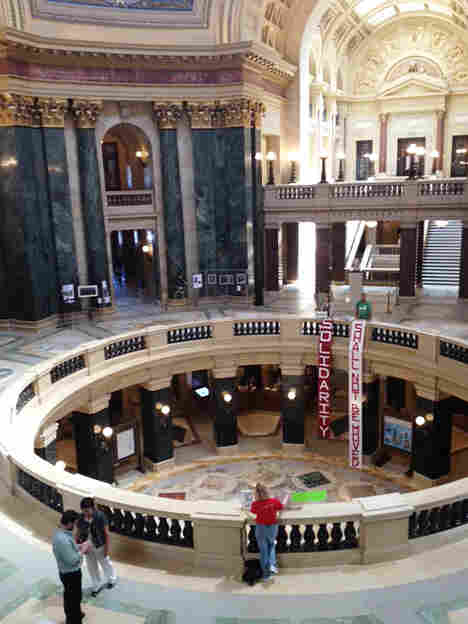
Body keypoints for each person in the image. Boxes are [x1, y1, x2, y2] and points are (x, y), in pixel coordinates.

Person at [77, 497, 117, 597]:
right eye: (83, 510)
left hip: (100, 544)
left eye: (87, 510)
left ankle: (112, 579)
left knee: (105, 562)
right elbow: (78, 532)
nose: (85, 513)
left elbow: (106, 533)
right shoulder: (81, 518)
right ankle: (96, 585)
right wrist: (79, 544)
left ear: (92, 508)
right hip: (87, 546)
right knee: (91, 566)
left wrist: (107, 548)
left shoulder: (100, 516)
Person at [52, 510, 84, 624]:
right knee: (73, 600)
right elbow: (72, 560)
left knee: (72, 597)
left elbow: (70, 550)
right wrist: (83, 551)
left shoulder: (61, 534)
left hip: (67, 572)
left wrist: (79, 547)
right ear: (69, 523)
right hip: (70, 574)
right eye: (74, 524)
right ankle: (73, 620)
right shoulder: (62, 539)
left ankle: (77, 614)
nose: (75, 527)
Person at [250, 483, 283, 580]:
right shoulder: (274, 501)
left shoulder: (255, 504)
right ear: (267, 492)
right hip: (272, 527)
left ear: (256, 494)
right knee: (271, 546)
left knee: (263, 551)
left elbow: (253, 512)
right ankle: (272, 564)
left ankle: (266, 574)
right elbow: (281, 507)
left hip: (261, 528)